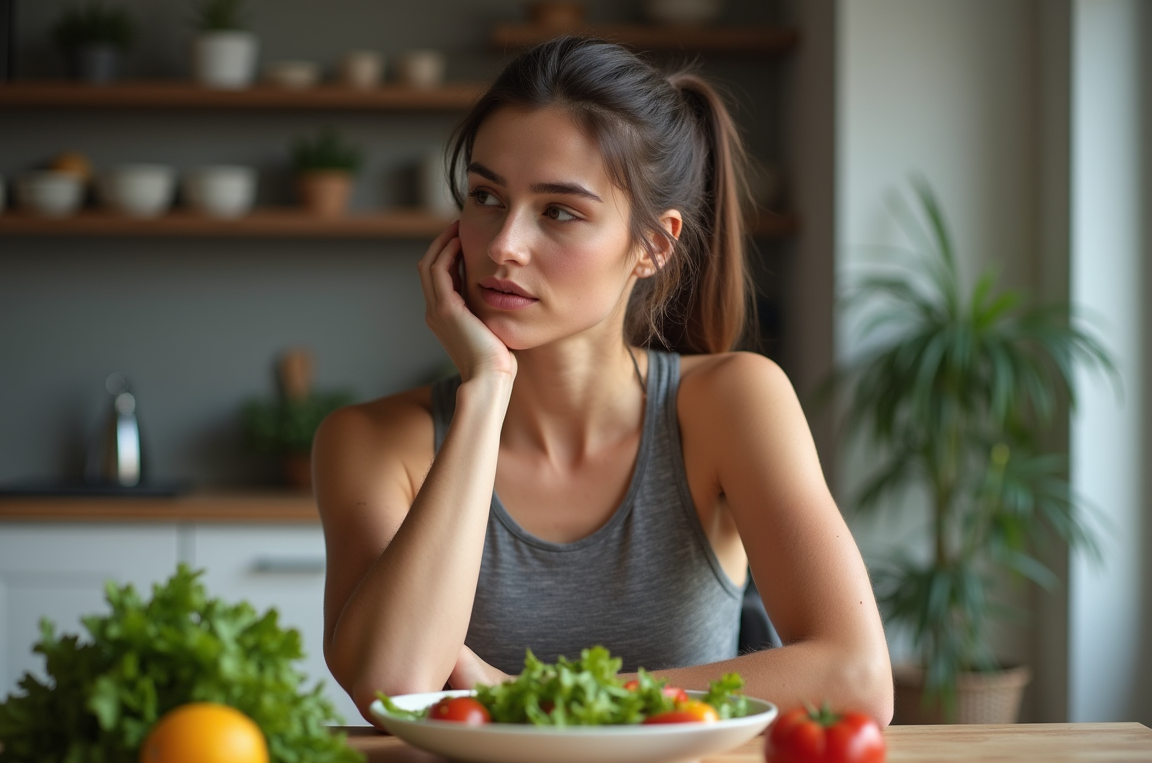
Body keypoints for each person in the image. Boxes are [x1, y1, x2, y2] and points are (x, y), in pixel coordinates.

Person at [315, 36, 893, 727]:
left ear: (653, 246)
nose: (503, 245)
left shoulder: (733, 402)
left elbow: (855, 678)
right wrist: (486, 393)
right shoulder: (370, 441)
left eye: (559, 211)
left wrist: (536, 700)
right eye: (486, 196)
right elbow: (392, 685)